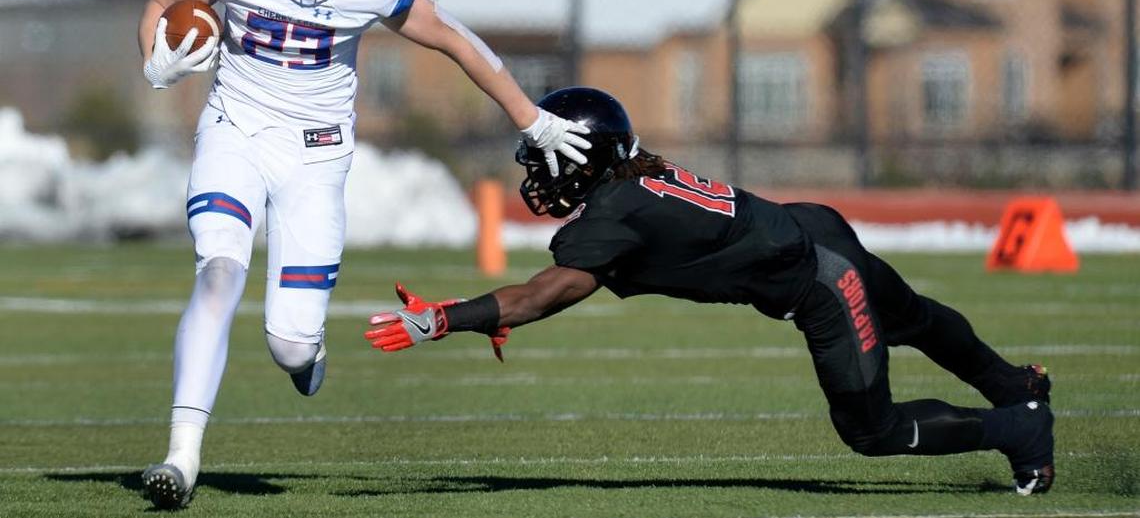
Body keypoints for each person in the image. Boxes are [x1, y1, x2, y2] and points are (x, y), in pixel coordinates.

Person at [137, 0, 592, 509]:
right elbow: (164, 2)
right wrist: (155, 61)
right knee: (218, 269)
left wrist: (531, 118)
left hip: (316, 154)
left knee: (289, 344)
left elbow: (458, 39)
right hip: (233, 129)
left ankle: (304, 354)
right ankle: (181, 457)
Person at [366, 86, 1056, 497]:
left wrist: (446, 318)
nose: (536, 176)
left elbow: (540, 295)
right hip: (812, 224)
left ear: (585, 159)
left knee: (871, 430)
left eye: (545, 161)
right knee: (913, 317)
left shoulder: (617, 214)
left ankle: (1019, 425)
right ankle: (1014, 380)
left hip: (819, 278)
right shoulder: (634, 176)